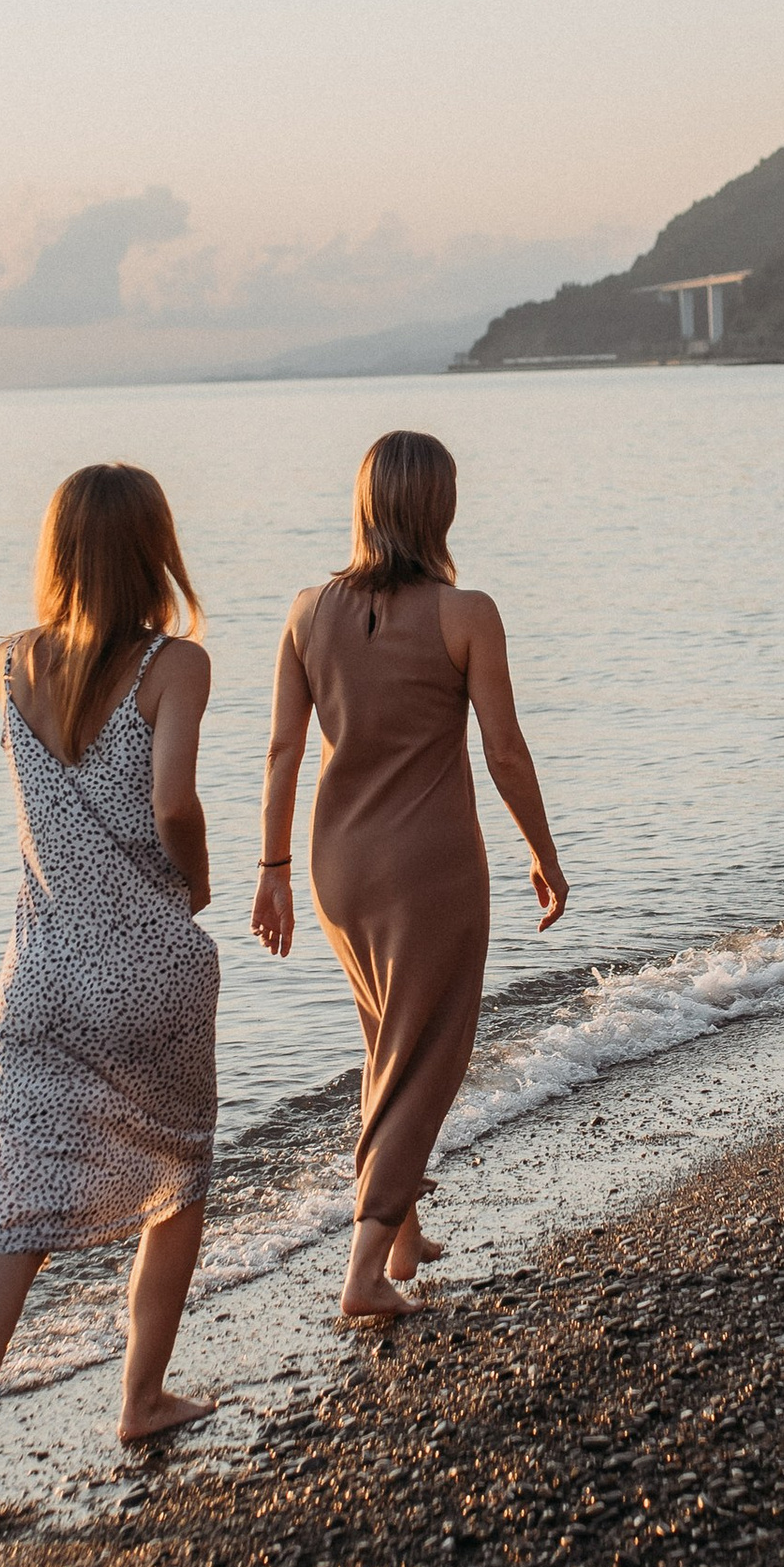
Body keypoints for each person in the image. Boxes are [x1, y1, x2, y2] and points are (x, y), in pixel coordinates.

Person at [0, 463, 220, 1524]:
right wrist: (193, 886)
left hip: (41, 970)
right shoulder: (174, 664)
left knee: (18, 1202)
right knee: (178, 1169)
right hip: (146, 962)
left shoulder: (11, 662)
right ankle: (141, 1395)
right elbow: (174, 800)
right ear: (155, 547)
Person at [251, 431, 567, 1321]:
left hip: (335, 866)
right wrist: (544, 852)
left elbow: (281, 750)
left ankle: (401, 1230)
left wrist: (271, 869)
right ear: (441, 507)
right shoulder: (467, 613)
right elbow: (504, 752)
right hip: (428, 865)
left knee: (384, 1038)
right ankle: (362, 1276)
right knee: (428, 1053)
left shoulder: (306, 611)